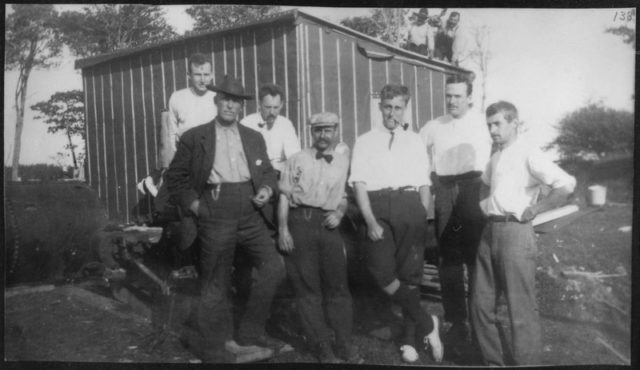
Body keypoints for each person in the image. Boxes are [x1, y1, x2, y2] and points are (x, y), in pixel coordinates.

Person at [165, 75, 286, 362]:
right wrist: (196, 206)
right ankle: (217, 345)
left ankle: (247, 334)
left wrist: (267, 190)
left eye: (236, 101)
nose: (230, 105)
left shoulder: (254, 137)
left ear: (242, 106)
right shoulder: (196, 137)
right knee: (215, 281)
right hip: (214, 208)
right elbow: (175, 177)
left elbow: (268, 172)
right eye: (226, 99)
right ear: (216, 100)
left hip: (250, 211)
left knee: (274, 267)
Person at [471, 101, 575, 365]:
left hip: (516, 234)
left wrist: (537, 208)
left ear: (514, 123)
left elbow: (565, 185)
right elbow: (484, 185)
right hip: (489, 232)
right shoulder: (495, 157)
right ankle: (494, 363)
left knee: (521, 308)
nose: (492, 130)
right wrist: (485, 206)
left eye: (497, 124)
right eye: (489, 125)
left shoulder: (528, 152)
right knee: (481, 306)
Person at [349, 84, 443, 363]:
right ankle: (428, 324)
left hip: (410, 206)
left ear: (405, 109)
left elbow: (424, 182)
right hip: (378, 207)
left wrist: (420, 212)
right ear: (380, 107)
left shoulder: (414, 140)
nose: (392, 113)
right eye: (387, 107)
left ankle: (409, 340)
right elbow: (359, 183)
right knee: (380, 272)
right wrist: (369, 219)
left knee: (410, 276)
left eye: (398, 107)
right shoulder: (365, 140)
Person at [277, 112, 362, 364]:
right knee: (308, 289)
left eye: (328, 130)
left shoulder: (343, 161)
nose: (323, 135)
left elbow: (344, 197)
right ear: (311, 132)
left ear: (336, 130)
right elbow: (283, 196)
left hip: (328, 226)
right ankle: (322, 347)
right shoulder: (296, 159)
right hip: (300, 223)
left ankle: (344, 343)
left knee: (339, 288)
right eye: (318, 130)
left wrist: (339, 212)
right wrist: (283, 229)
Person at [419, 74, 492, 349]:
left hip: (475, 189)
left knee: (475, 257)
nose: (451, 100)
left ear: (470, 97)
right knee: (448, 258)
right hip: (446, 191)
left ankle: (478, 321)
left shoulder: (483, 123)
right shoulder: (435, 125)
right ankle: (456, 321)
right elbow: (415, 150)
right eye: (448, 95)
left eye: (457, 96)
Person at [240, 84, 301, 175]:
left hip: (279, 175)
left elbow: (294, 157)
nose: (272, 112)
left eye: (276, 107)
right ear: (259, 104)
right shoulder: (247, 123)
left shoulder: (286, 124)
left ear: (281, 105)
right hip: (253, 175)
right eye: (268, 107)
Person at [167, 53, 217, 156]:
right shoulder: (177, 97)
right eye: (198, 75)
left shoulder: (218, 98)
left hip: (213, 156)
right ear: (189, 75)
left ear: (212, 75)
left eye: (206, 75)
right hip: (186, 156)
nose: (203, 80)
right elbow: (172, 134)